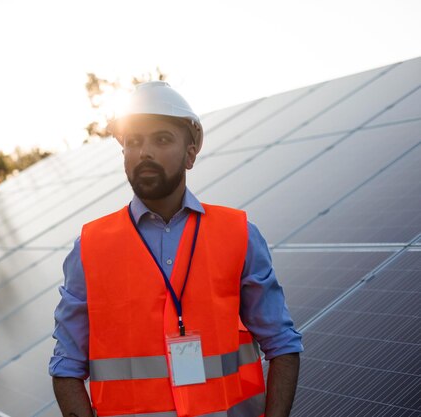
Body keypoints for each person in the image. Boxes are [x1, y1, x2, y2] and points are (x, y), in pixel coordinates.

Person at [49, 81, 302, 417]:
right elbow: (66, 367)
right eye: (133, 141)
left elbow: (283, 345)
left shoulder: (238, 234)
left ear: (190, 153)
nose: (145, 152)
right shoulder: (90, 247)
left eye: (162, 139)